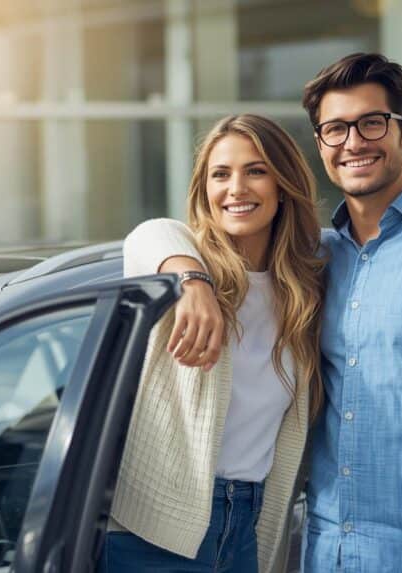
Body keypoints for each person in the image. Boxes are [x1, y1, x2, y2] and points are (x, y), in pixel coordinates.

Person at [133, 53, 402, 573]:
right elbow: (155, 234)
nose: (354, 142)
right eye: (336, 129)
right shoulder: (315, 261)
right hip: (327, 554)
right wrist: (191, 277)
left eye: (371, 123)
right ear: (320, 145)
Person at [101, 114, 325, 573]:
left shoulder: (304, 290)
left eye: (256, 171)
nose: (236, 188)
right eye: (220, 174)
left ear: (283, 185)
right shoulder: (183, 262)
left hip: (248, 524)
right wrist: (193, 280)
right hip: (154, 531)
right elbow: (147, 233)